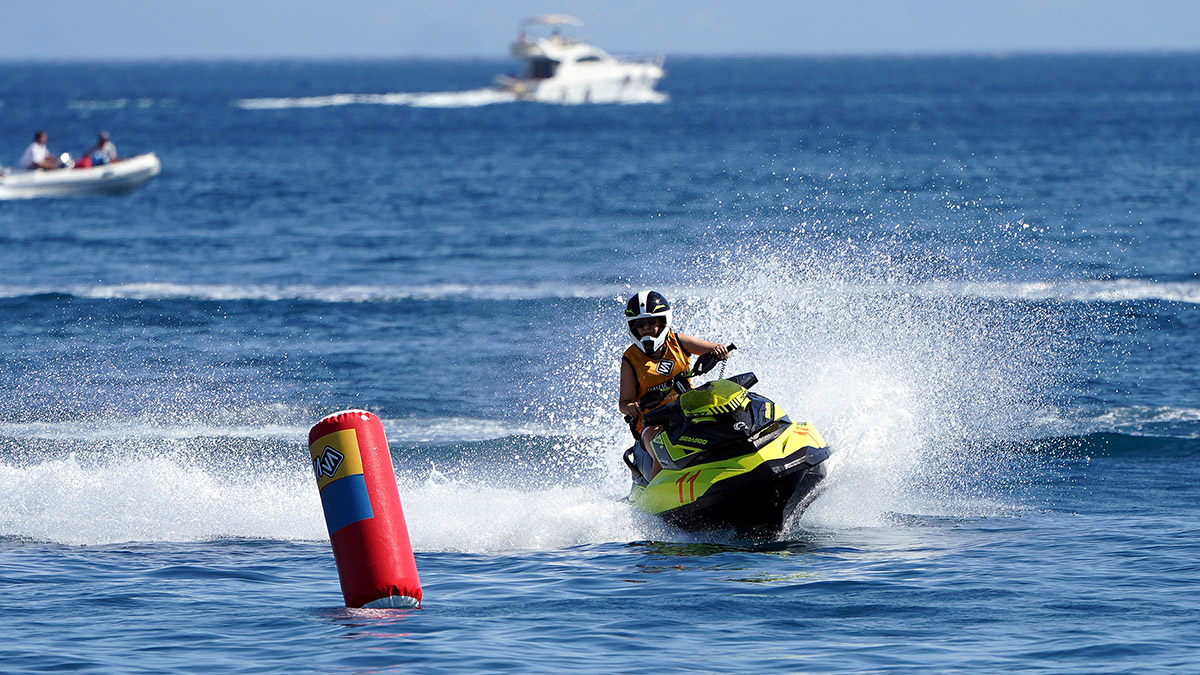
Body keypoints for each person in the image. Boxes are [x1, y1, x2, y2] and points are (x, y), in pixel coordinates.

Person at [619, 290, 729, 480]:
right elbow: (624, 403)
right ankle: (653, 501)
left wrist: (720, 352)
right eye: (640, 323)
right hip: (652, 422)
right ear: (633, 327)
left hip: (687, 409)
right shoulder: (630, 359)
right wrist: (632, 408)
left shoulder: (678, 342)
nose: (646, 328)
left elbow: (715, 349)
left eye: (652, 322)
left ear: (663, 321)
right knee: (662, 449)